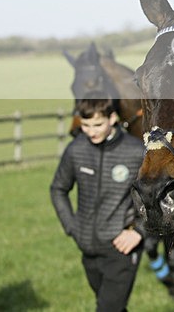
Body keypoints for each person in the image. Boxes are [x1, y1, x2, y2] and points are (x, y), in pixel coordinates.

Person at [50, 96, 146, 312]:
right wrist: (72, 226)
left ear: (112, 118)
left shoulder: (136, 152)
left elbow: (157, 200)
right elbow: (58, 189)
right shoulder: (76, 150)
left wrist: (139, 232)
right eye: (85, 125)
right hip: (87, 248)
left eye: (97, 125)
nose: (91, 131)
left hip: (121, 249)